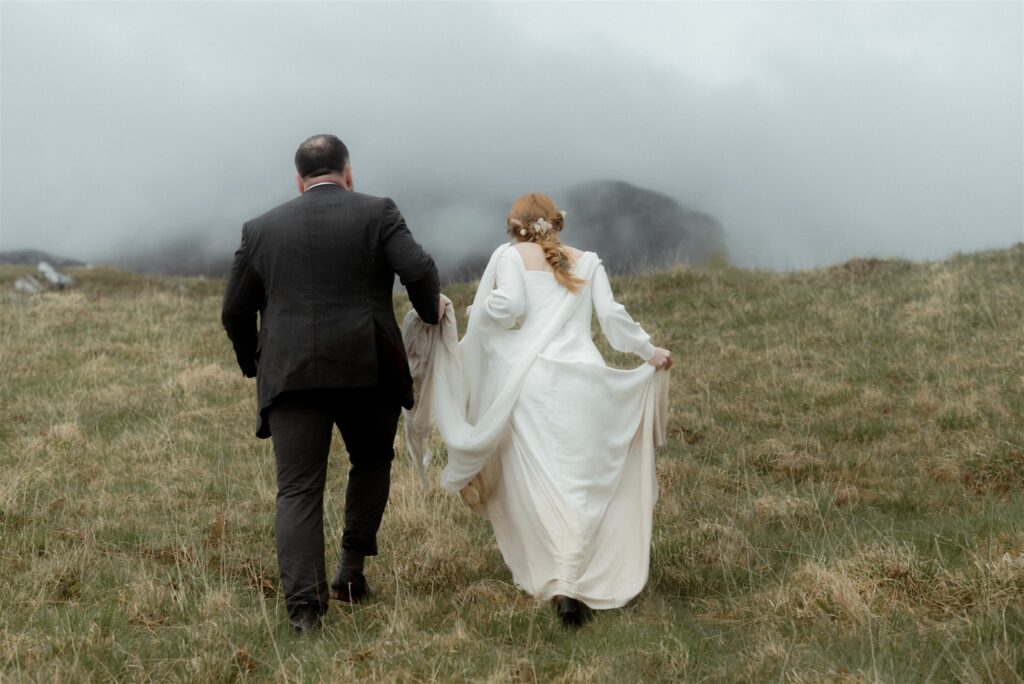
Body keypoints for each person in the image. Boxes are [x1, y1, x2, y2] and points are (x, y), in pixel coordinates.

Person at [404, 192, 671, 628]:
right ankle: (575, 576)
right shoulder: (589, 262)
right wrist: (649, 351)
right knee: (582, 483)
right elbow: (612, 318)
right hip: (584, 382)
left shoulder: (510, 256)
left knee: (546, 482)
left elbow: (509, 307)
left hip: (534, 384)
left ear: (514, 227)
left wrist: (479, 308)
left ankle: (563, 582)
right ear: (557, 224)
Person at [221, 134, 444, 634]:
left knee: (298, 488)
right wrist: (431, 314)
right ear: (348, 173)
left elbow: (234, 309)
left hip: (291, 373)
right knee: (371, 460)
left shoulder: (260, 228)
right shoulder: (378, 212)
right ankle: (351, 571)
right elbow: (418, 269)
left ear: (299, 181)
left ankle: (305, 611)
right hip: (368, 367)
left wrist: (255, 362)